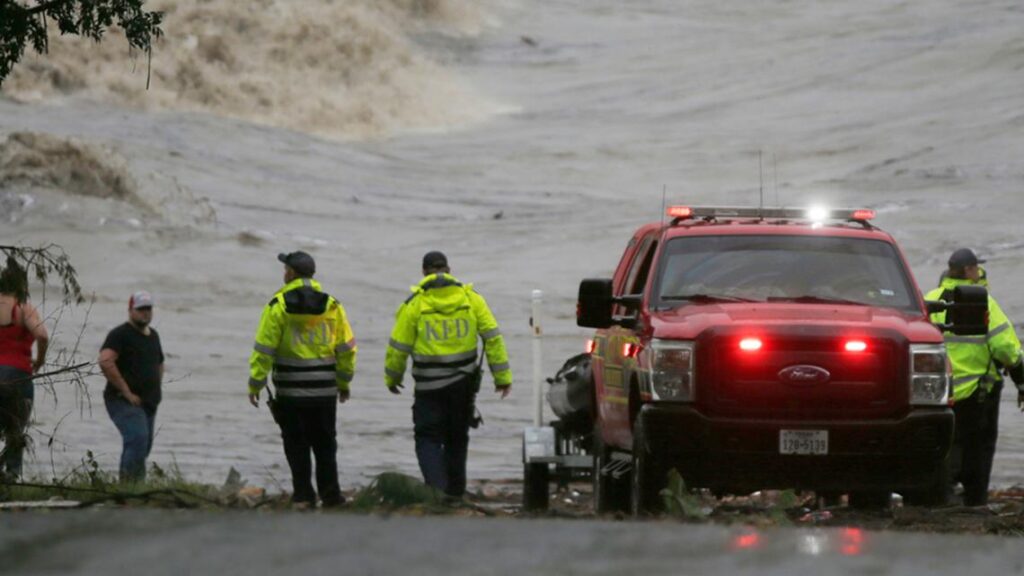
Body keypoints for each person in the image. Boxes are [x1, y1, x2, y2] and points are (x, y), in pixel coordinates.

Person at [385, 251, 512, 498]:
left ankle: (437, 491)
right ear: (449, 270)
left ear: (424, 272)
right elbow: (492, 338)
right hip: (462, 384)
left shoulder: (415, 305)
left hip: (428, 387)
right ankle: (455, 493)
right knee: (457, 438)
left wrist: (393, 378)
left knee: (427, 437)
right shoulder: (471, 299)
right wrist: (502, 378)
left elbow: (398, 348)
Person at [249, 251, 357, 508]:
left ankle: (303, 496)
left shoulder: (278, 305)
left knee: (296, 444)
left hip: (290, 390)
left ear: (291, 273)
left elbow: (264, 349)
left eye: (285, 269)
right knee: (325, 444)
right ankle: (331, 496)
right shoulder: (332, 305)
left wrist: (256, 383)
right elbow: (347, 349)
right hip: (324, 390)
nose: (283, 273)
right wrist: (343, 383)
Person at [926, 248, 1024, 506]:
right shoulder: (984, 303)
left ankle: (938, 500)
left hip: (936, 395)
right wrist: (1021, 380)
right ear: (969, 271)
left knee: (942, 451)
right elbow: (1006, 349)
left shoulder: (929, 300)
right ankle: (975, 503)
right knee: (978, 455)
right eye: (977, 268)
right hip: (977, 396)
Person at [99, 290, 165, 483]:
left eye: (148, 309)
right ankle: (127, 487)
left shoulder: (153, 336)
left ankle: (137, 487)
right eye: (141, 309)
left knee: (144, 446)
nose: (145, 313)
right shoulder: (120, 334)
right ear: (130, 310)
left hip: (148, 403)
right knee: (137, 438)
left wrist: (156, 389)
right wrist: (126, 391)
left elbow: (159, 363)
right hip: (123, 401)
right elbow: (105, 361)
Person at [0, 257, 48, 480]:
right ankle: (11, 475)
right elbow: (42, 335)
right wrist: (40, 360)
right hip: (18, 375)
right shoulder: (23, 309)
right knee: (15, 430)